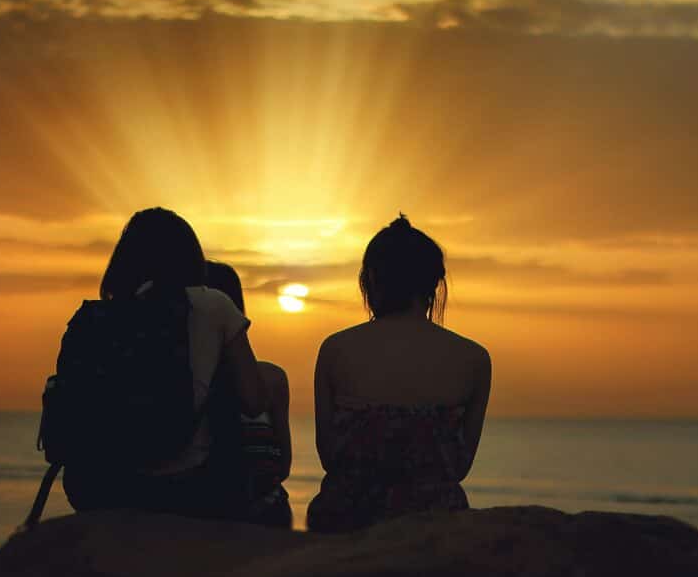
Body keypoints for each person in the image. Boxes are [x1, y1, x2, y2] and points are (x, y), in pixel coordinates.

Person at [60, 207, 269, 517]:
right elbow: (253, 400)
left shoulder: (98, 316)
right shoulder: (213, 303)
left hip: (104, 482)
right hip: (188, 482)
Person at [307, 214, 491, 532]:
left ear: (371, 281)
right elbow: (459, 467)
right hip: (434, 524)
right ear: (434, 284)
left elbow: (330, 457)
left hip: (348, 518)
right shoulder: (474, 358)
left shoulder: (336, 349)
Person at [204, 261, 293, 528]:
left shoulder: (188, 381)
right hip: (264, 509)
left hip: (206, 509)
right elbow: (283, 465)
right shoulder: (272, 378)